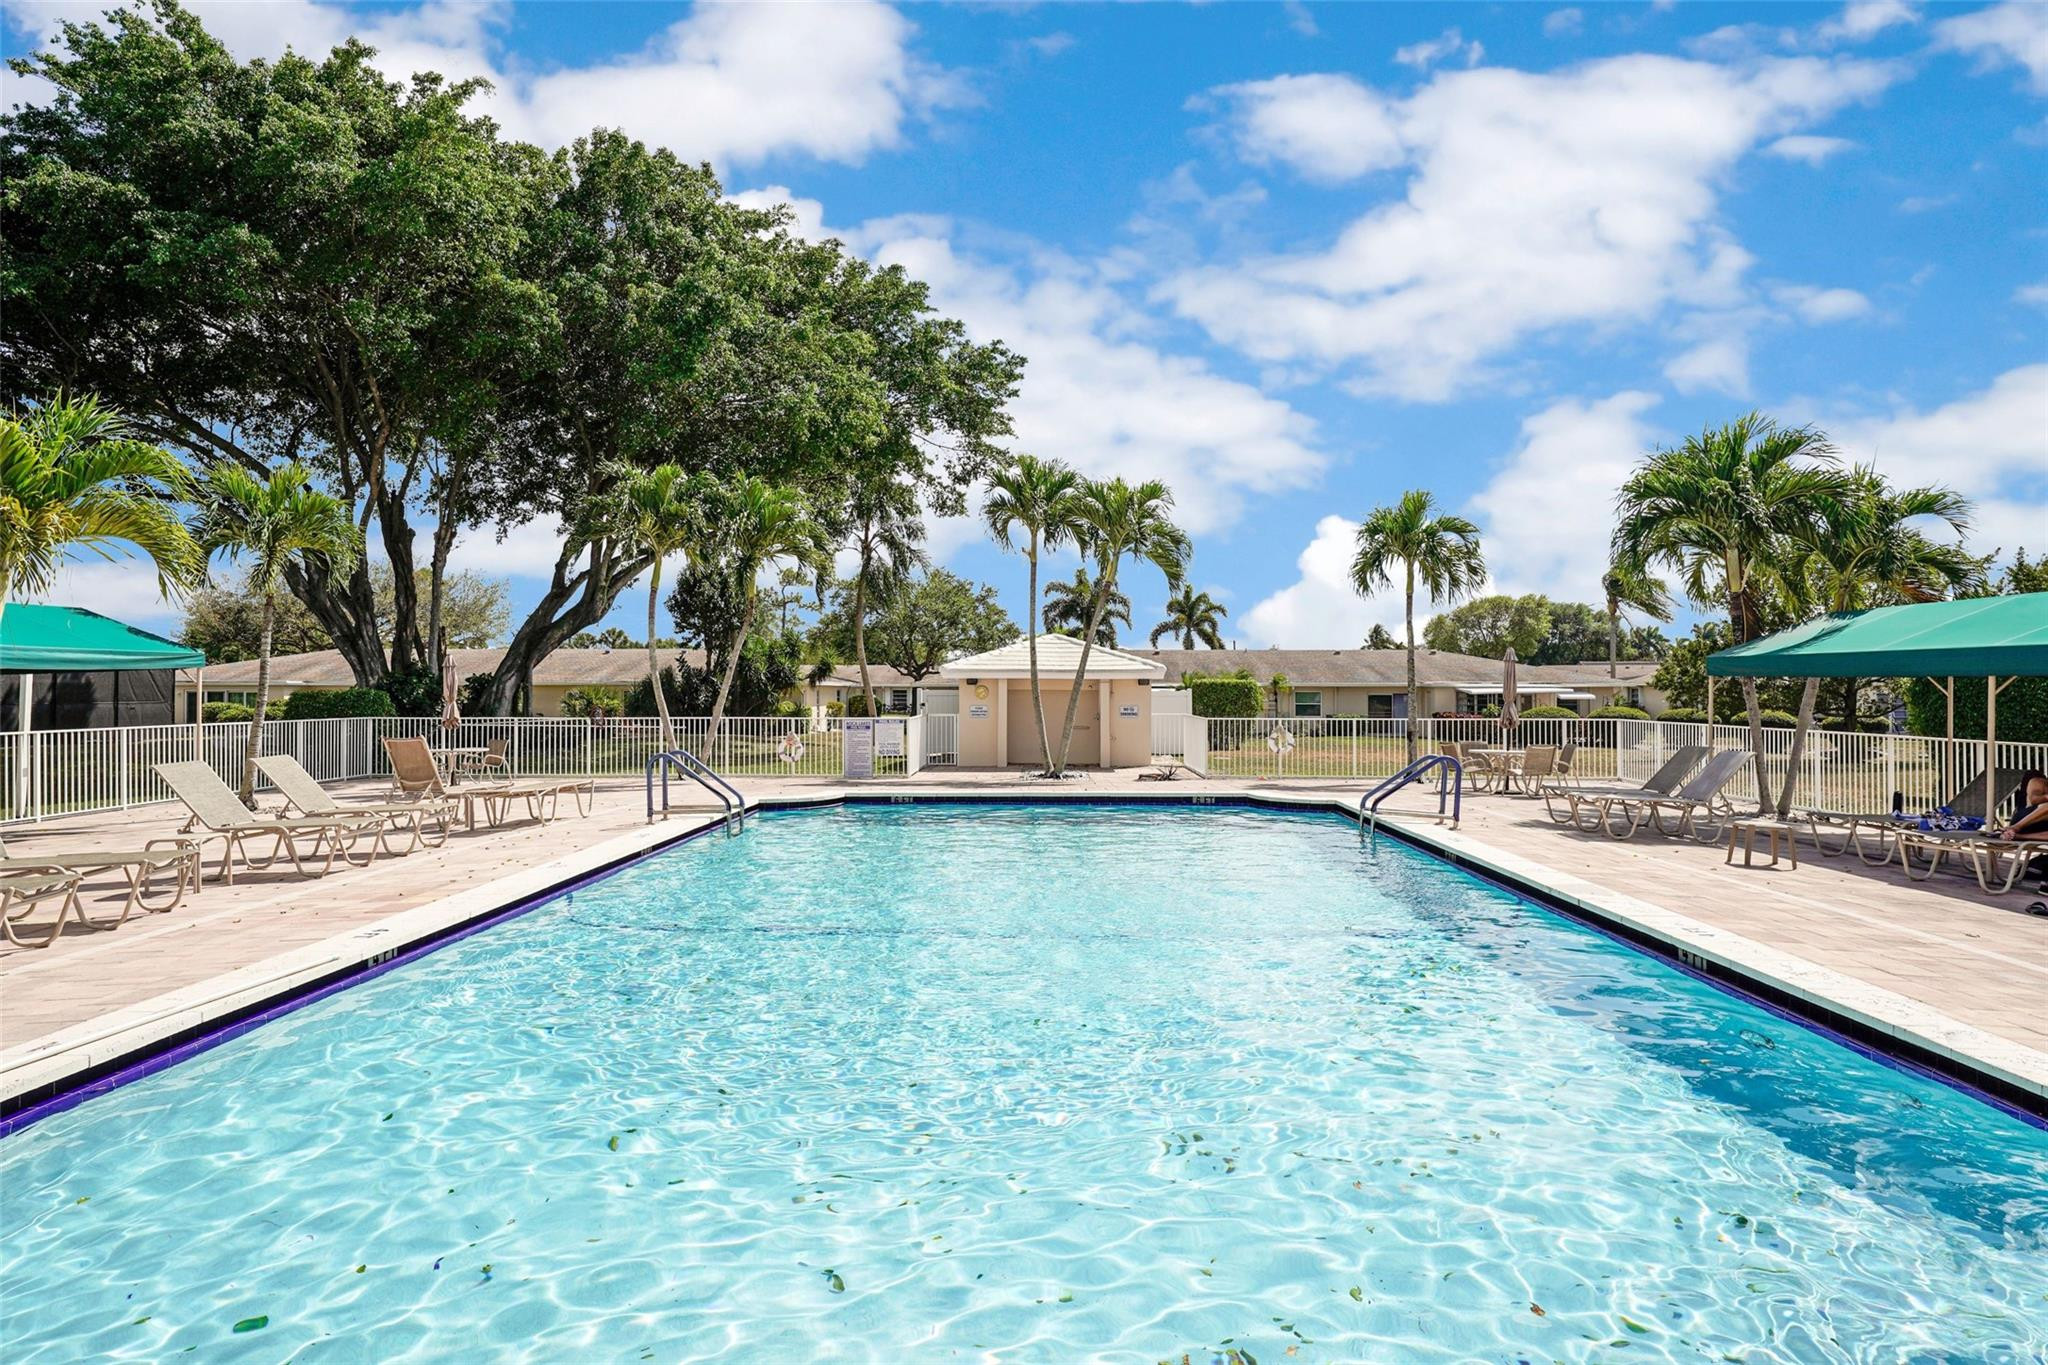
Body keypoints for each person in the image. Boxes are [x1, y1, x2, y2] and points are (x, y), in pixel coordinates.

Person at [1998, 770, 2048, 841]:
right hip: (2024, 820)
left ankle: (2019, 836)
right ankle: (2015, 827)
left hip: (2040, 830)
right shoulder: (2039, 782)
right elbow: (2034, 800)